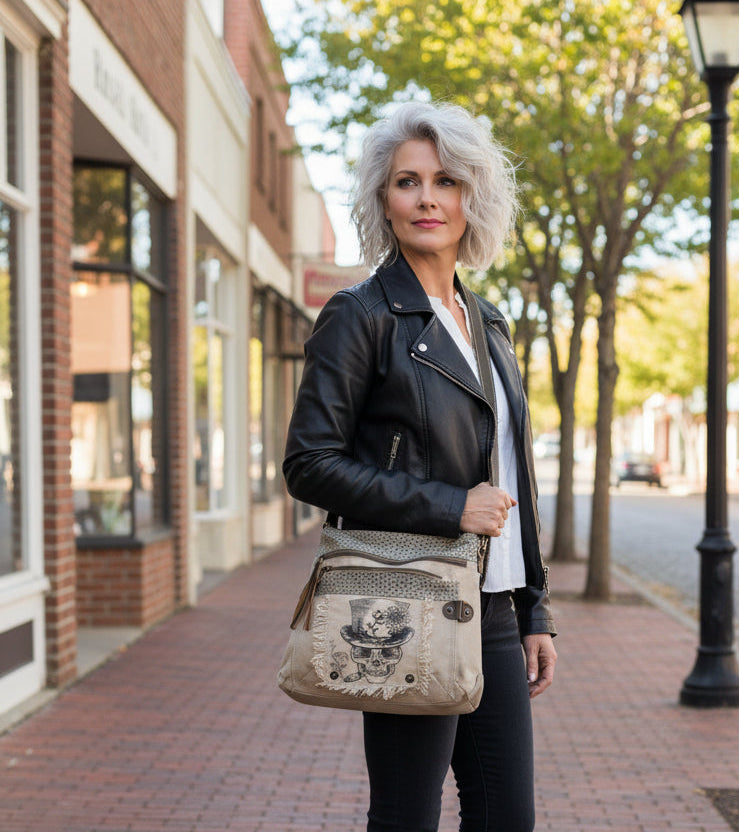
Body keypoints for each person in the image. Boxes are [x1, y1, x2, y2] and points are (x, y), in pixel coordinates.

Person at [283, 101, 557, 832]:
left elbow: (514, 472)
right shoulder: (360, 316)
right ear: (384, 199)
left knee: (507, 817)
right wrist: (447, 505)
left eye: (447, 181)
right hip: (405, 601)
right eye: (408, 181)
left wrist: (535, 607)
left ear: (474, 197)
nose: (428, 197)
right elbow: (309, 463)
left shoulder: (489, 321)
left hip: (492, 609)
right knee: (407, 815)